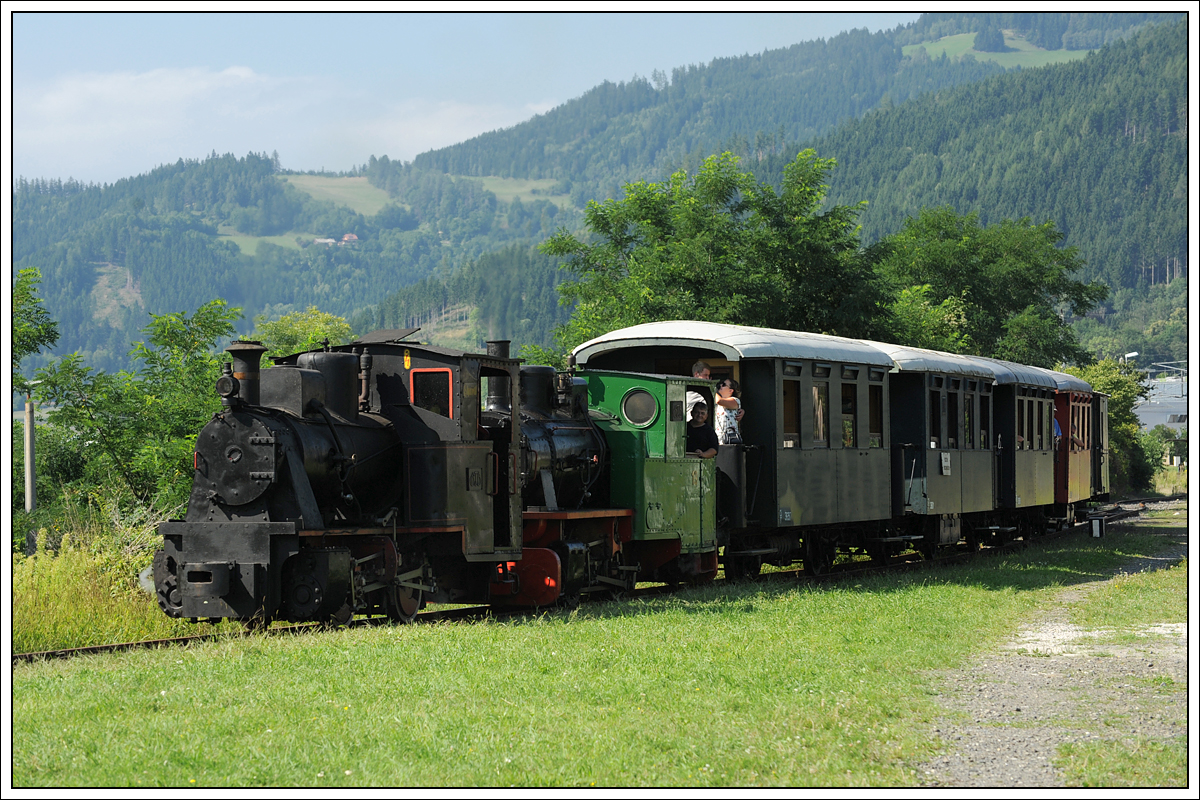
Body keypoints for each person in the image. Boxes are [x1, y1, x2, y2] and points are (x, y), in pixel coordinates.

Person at [714, 377, 743, 445]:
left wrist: (713, 389)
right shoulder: (715, 401)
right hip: (718, 439)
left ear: (731, 391)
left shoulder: (735, 400)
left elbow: (719, 401)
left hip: (730, 439)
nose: (721, 385)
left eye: (724, 384)